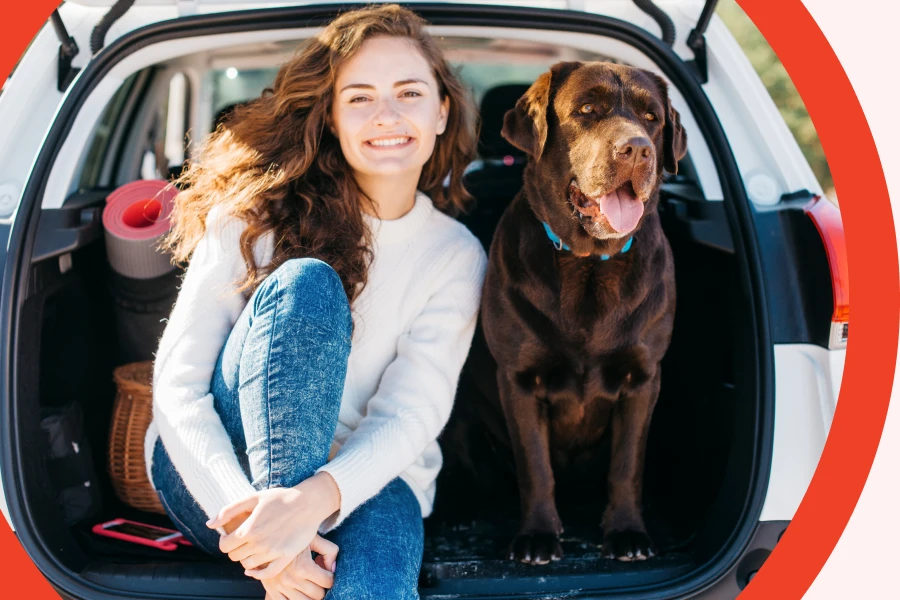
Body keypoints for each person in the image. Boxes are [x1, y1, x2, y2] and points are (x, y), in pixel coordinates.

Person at [143, 5, 487, 599]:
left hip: (367, 477)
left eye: (409, 92)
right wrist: (264, 534)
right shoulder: (253, 215)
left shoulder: (455, 253)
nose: (387, 115)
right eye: (358, 98)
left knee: (377, 581)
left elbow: (411, 412)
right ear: (328, 116)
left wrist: (310, 503)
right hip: (217, 471)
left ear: (441, 112)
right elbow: (178, 387)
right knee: (307, 285)